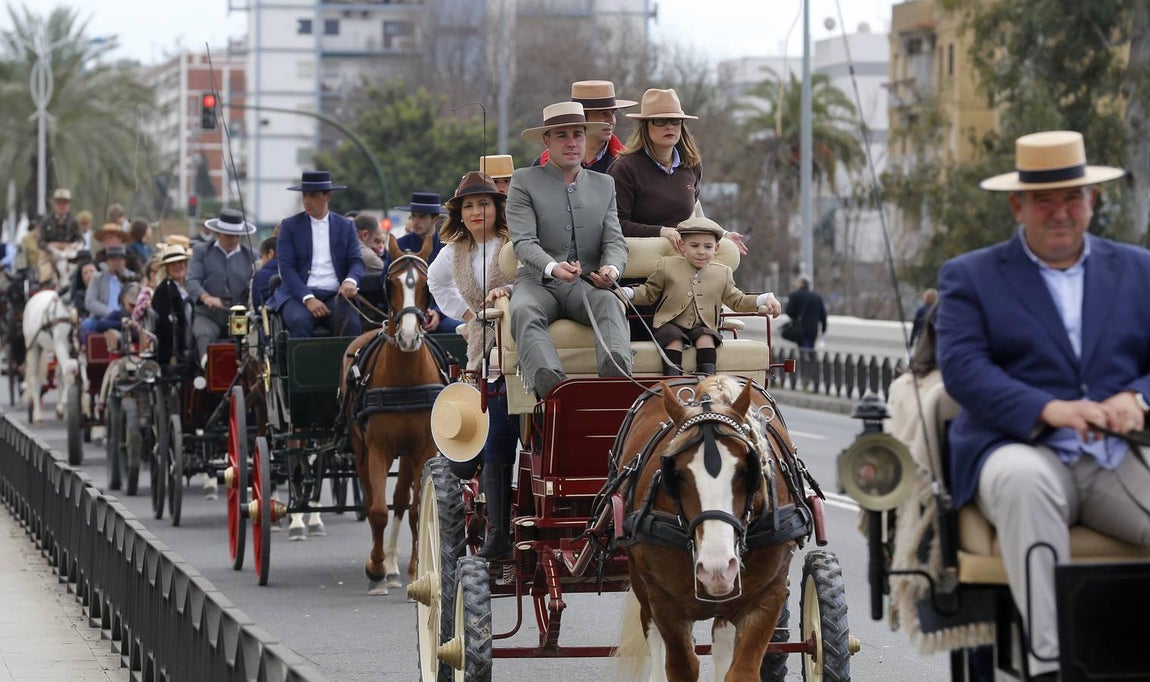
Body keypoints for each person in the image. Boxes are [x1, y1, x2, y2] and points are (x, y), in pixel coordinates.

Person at [935, 130, 1150, 681]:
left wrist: (1136, 396)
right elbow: (963, 369)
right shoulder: (970, 276)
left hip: (1116, 455)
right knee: (1026, 484)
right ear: (1018, 205)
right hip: (1017, 446)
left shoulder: (1138, 270)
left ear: (1092, 202)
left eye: (1072, 198)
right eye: (1045, 200)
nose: (1061, 212)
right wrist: (1048, 409)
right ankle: (1053, 668)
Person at [508, 101, 631, 399]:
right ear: (546, 140)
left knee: (609, 302)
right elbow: (523, 241)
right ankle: (553, 389)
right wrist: (552, 267)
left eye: (578, 134)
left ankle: (617, 383)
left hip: (585, 283)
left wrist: (611, 270)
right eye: (561, 135)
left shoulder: (605, 185)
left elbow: (615, 240)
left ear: (586, 139)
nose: (572, 142)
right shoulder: (524, 181)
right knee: (523, 309)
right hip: (538, 282)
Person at [427, 171, 518, 559]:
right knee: (493, 425)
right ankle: (497, 532)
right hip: (482, 348)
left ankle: (502, 529)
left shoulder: (512, 242)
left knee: (501, 425)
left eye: (484, 203)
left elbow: (533, 277)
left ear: (498, 208)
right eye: (469, 206)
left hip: (517, 339)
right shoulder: (452, 252)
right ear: (459, 214)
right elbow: (436, 284)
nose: (477, 211)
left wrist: (508, 293)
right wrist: (466, 316)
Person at [620, 217, 781, 376]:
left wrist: (764, 298)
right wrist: (629, 292)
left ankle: (707, 381)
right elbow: (649, 292)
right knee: (673, 339)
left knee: (707, 339)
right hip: (670, 323)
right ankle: (672, 380)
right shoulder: (667, 266)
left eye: (708, 246)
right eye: (695, 246)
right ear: (682, 246)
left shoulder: (722, 272)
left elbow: (737, 300)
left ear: (716, 248)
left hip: (702, 325)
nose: (701, 252)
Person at [609, 88, 747, 255]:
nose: (670, 126)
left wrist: (723, 234)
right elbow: (617, 225)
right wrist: (662, 232)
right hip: (640, 258)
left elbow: (694, 215)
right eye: (660, 121)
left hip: (682, 258)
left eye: (676, 121)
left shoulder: (691, 166)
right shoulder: (625, 168)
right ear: (645, 126)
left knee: (728, 253)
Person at [267, 171, 363, 338]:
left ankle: (349, 364)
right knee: (300, 321)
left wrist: (350, 281)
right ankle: (300, 365)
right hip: (297, 296)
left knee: (352, 323)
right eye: (305, 195)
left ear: (327, 196)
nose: (307, 201)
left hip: (335, 296)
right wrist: (308, 298)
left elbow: (356, 261)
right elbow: (287, 268)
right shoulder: (289, 226)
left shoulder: (345, 226)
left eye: (312, 196)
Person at [186, 208, 257, 366]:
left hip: (241, 316)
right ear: (218, 234)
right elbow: (192, 280)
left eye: (236, 235)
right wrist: (206, 297)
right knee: (203, 334)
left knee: (249, 342)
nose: (233, 239)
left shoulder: (251, 255)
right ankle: (207, 367)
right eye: (228, 235)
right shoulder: (201, 251)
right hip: (209, 315)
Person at [532, 80, 636, 173]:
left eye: (613, 113)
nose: (611, 120)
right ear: (583, 118)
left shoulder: (628, 163)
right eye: (602, 114)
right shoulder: (544, 163)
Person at [396, 192, 459, 333]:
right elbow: (388, 280)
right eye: (413, 216)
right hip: (405, 309)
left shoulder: (448, 248)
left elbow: (455, 286)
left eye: (422, 216)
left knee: (452, 327)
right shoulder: (398, 246)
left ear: (435, 219)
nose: (416, 221)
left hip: (443, 310)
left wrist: (437, 312)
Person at [81, 246, 135, 344]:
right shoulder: (97, 278)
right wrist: (109, 312)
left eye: (119, 259)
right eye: (112, 259)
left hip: (126, 316)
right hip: (101, 316)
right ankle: (88, 353)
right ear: (107, 261)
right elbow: (90, 302)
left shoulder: (130, 277)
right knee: (86, 324)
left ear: (124, 261)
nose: (116, 262)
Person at [150, 244, 191, 367]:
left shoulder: (192, 285)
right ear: (166, 268)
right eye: (173, 264)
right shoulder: (163, 290)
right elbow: (165, 322)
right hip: (175, 342)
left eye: (180, 262)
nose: (178, 266)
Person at [37, 187, 83, 285]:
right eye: (59, 203)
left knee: (81, 272)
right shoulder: (46, 221)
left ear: (69, 205)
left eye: (65, 203)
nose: (61, 206)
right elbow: (40, 242)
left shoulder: (74, 222)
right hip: (50, 255)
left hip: (69, 255)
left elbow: (81, 239)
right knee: (46, 274)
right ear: (54, 204)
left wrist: (74, 245)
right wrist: (51, 246)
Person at [784, 275, 827, 353]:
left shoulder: (795, 295)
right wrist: (824, 329)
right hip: (813, 329)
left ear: (801, 283)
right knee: (810, 348)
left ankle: (807, 362)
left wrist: (796, 318)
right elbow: (823, 315)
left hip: (800, 328)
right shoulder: (817, 297)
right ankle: (810, 362)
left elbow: (789, 311)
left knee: (803, 350)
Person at [250, 237, 278, 310]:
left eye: (262, 256)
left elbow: (257, 306)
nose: (261, 261)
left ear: (270, 253)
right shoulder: (296, 272)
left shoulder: (261, 275)